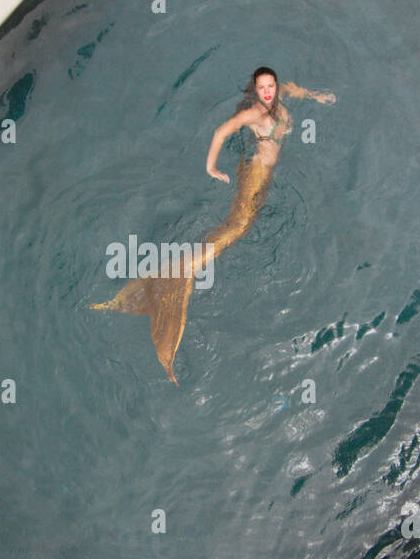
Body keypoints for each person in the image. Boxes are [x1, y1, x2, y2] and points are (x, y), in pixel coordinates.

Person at [92, 67, 337, 383]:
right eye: (262, 87)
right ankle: (185, 269)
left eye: (271, 86)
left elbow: (290, 88)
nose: (268, 92)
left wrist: (316, 96)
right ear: (256, 90)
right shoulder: (255, 113)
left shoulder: (277, 97)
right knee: (238, 227)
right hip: (257, 173)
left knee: (240, 225)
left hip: (264, 171)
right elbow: (222, 131)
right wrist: (210, 167)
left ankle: (180, 269)